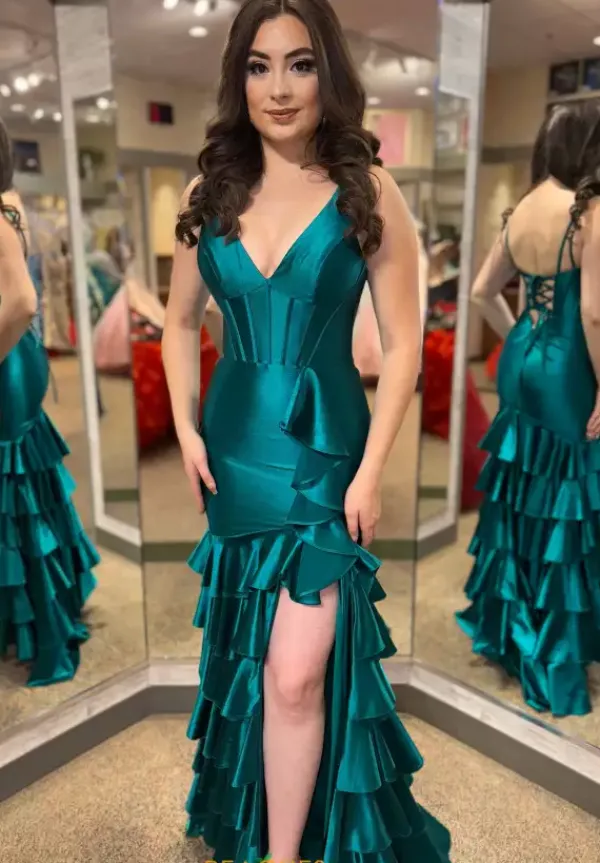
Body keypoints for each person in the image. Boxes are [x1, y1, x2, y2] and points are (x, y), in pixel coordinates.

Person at [162, 1, 452, 860]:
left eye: (300, 64)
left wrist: (370, 471)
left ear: (330, 72)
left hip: (325, 456)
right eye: (259, 66)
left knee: (296, 672)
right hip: (232, 451)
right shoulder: (208, 191)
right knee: (250, 652)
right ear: (238, 78)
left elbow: (403, 344)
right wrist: (184, 428)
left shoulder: (368, 189)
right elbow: (178, 321)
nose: (279, 88)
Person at [456, 101, 600, 718]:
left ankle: (511, 634)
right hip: (567, 365)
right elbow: (593, 312)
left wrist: (520, 332)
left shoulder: (521, 208)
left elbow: (480, 292)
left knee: (519, 488)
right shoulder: (587, 211)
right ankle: (553, 651)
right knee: (565, 497)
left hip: (520, 358)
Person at [0, 119, 99, 686]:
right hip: (20, 355)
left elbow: (21, 300)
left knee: (16, 483)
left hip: (7, 354)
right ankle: (35, 613)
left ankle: (40, 626)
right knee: (23, 482)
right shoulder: (11, 200)